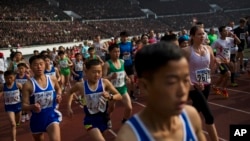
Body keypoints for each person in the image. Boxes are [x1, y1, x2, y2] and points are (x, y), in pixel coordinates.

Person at [115, 42, 206, 141]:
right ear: (145, 86)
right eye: (172, 82)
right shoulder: (129, 137)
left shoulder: (191, 117)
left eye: (185, 80)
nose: (183, 91)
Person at [67, 59, 122, 141]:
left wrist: (110, 97)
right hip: (90, 120)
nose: (97, 75)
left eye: (99, 72)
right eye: (94, 72)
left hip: (104, 118)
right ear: (86, 71)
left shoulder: (105, 82)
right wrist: (68, 107)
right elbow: (70, 92)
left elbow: (119, 96)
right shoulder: (81, 86)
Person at [182, 25, 218, 141]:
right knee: (209, 116)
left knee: (196, 112)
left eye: (203, 33)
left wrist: (218, 63)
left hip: (207, 85)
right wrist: (191, 84)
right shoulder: (187, 51)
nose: (202, 36)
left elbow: (211, 67)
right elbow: (181, 70)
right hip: (194, 87)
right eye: (199, 34)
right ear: (192, 36)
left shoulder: (209, 49)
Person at [22, 55, 62, 141]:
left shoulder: (52, 79)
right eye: (35, 65)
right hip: (37, 119)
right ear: (31, 67)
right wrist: (32, 107)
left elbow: (58, 89)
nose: (39, 67)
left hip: (51, 115)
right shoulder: (27, 85)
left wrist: (59, 95)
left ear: (45, 65)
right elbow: (24, 106)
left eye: (41, 64)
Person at [103, 44, 133, 128]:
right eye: (115, 52)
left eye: (118, 51)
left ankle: (124, 121)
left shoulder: (122, 61)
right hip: (112, 90)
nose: (117, 53)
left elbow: (123, 72)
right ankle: (108, 117)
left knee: (129, 107)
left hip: (122, 88)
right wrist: (110, 77)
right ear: (110, 52)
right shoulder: (107, 64)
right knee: (111, 108)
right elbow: (103, 78)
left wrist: (126, 77)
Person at [212, 26, 241, 94]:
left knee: (223, 76)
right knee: (228, 74)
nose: (226, 32)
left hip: (227, 60)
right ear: (220, 32)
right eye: (224, 31)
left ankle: (215, 86)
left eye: (226, 30)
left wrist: (234, 36)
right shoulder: (217, 41)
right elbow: (210, 49)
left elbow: (239, 42)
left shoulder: (229, 39)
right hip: (220, 61)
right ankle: (223, 88)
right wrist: (215, 59)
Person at [0, 70, 22, 141]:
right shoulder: (2, 86)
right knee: (13, 124)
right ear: (4, 78)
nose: (9, 80)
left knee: (17, 121)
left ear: (14, 78)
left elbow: (24, 93)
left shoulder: (18, 85)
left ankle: (18, 122)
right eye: (7, 78)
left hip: (18, 105)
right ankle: (14, 139)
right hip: (9, 107)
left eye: (10, 78)